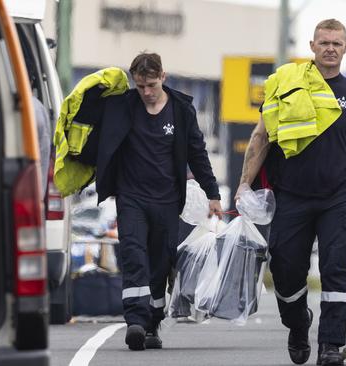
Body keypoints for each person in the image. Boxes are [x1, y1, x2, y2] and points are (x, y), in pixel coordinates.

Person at [236, 19, 346, 366]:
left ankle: (330, 346)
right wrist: (244, 185)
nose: (330, 48)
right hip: (291, 195)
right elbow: (261, 137)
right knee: (285, 270)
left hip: (338, 197)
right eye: (324, 42)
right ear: (311, 45)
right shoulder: (287, 85)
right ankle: (297, 325)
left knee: (336, 270)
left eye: (337, 43)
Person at [95, 53, 222, 350]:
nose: (146, 93)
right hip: (132, 198)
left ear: (163, 77)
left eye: (151, 85)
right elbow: (91, 127)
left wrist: (213, 194)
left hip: (167, 201)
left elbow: (197, 154)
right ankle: (135, 322)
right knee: (133, 254)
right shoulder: (123, 106)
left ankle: (152, 322)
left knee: (160, 265)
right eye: (140, 86)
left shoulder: (181, 111)